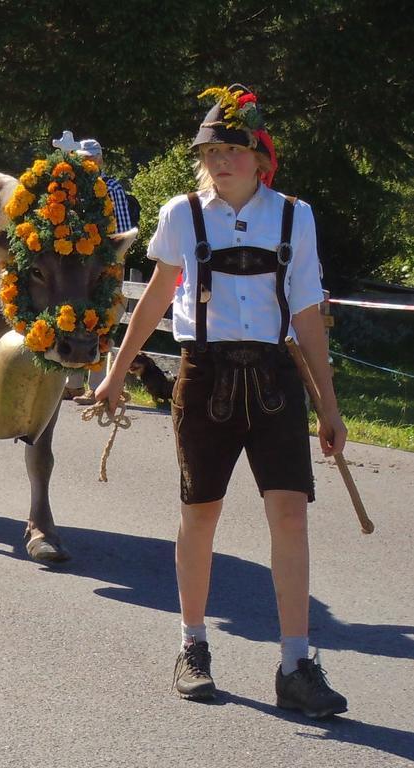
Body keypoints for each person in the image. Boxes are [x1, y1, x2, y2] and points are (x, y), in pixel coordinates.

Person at [94, 84, 350, 718]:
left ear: (261, 158)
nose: (222, 159)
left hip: (274, 381)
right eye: (212, 150)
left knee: (290, 515)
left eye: (235, 148)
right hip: (204, 378)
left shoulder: (296, 217)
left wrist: (331, 405)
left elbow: (309, 312)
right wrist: (115, 372)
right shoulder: (182, 216)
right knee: (200, 515)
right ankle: (193, 646)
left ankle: (295, 663)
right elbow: (154, 299)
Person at [64, 137, 135, 402]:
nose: (87, 163)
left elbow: (124, 233)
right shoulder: (73, 187)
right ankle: (72, 383)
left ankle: (96, 387)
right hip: (80, 267)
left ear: (101, 160)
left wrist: (111, 266)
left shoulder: (112, 187)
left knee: (102, 322)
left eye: (91, 159)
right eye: (83, 159)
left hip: (105, 265)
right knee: (74, 318)